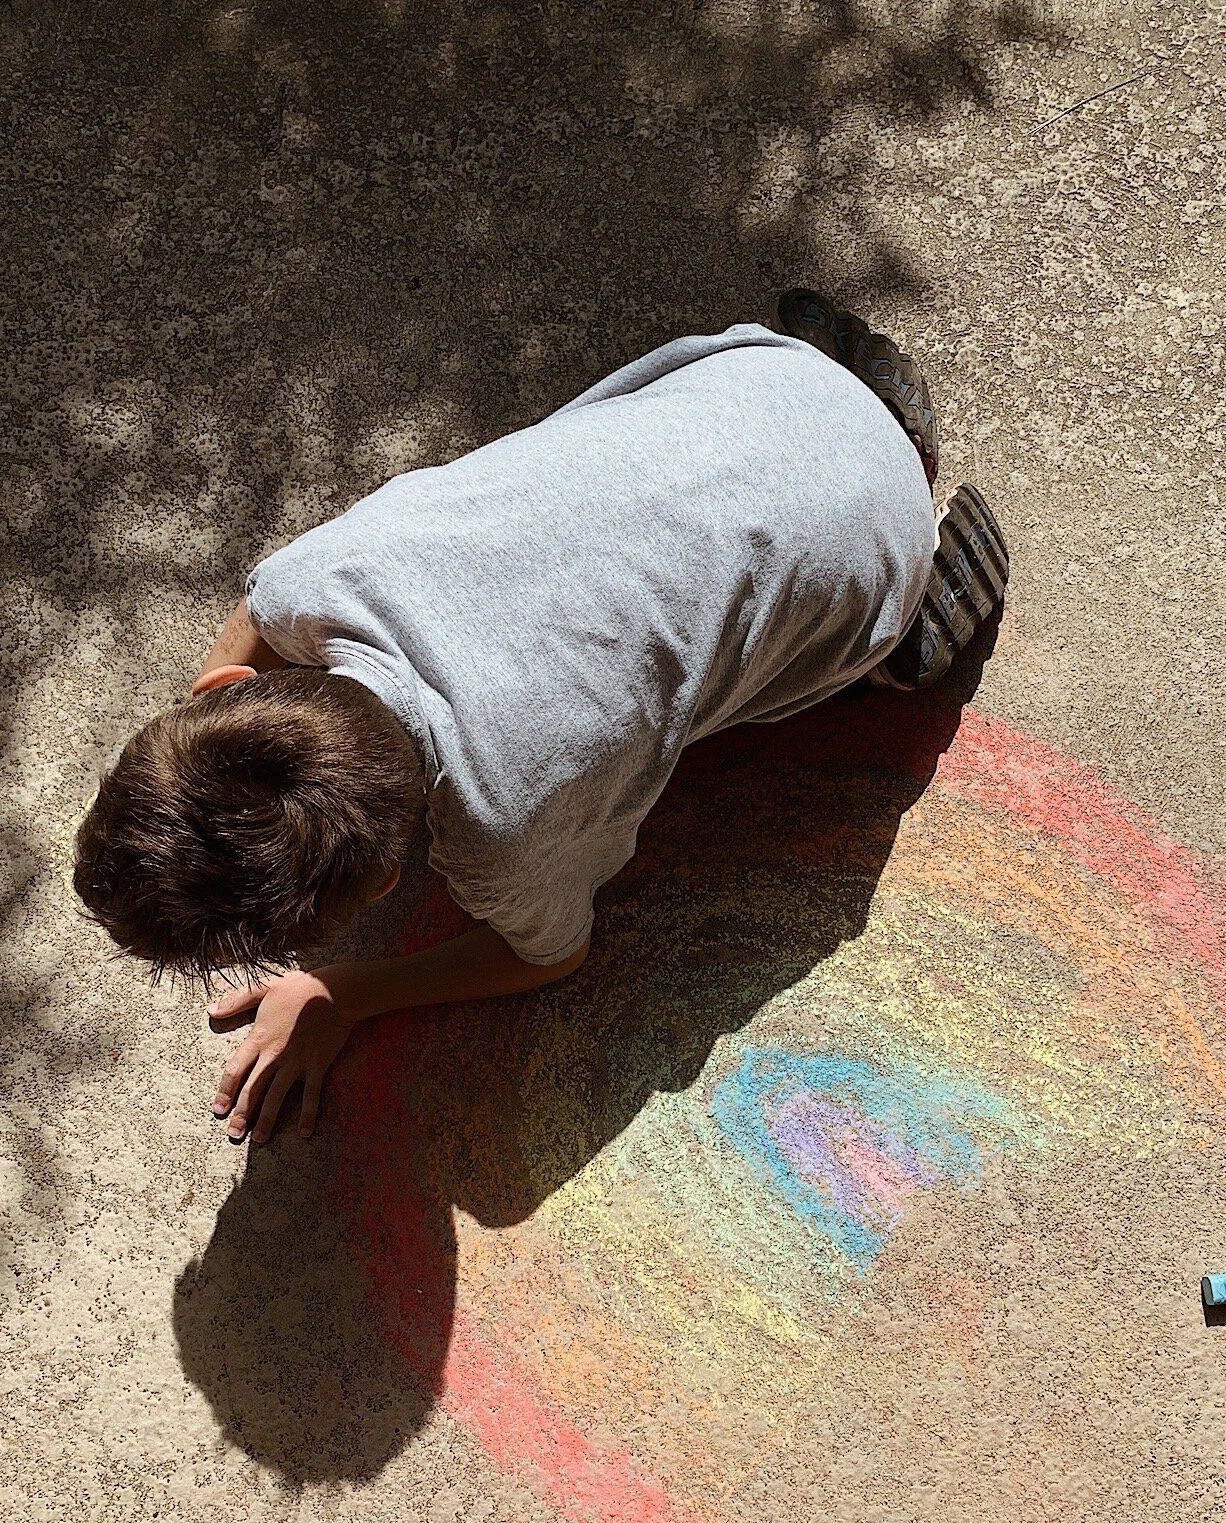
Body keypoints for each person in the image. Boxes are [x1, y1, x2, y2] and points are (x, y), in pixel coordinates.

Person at [72, 290, 1009, 1145]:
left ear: (394, 875)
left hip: (873, 554)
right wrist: (225, 734)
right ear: (219, 689)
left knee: (804, 671)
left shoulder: (504, 829)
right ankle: (871, 415)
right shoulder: (315, 583)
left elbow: (544, 956)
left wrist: (343, 993)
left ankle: (900, 641)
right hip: (763, 384)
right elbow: (254, 612)